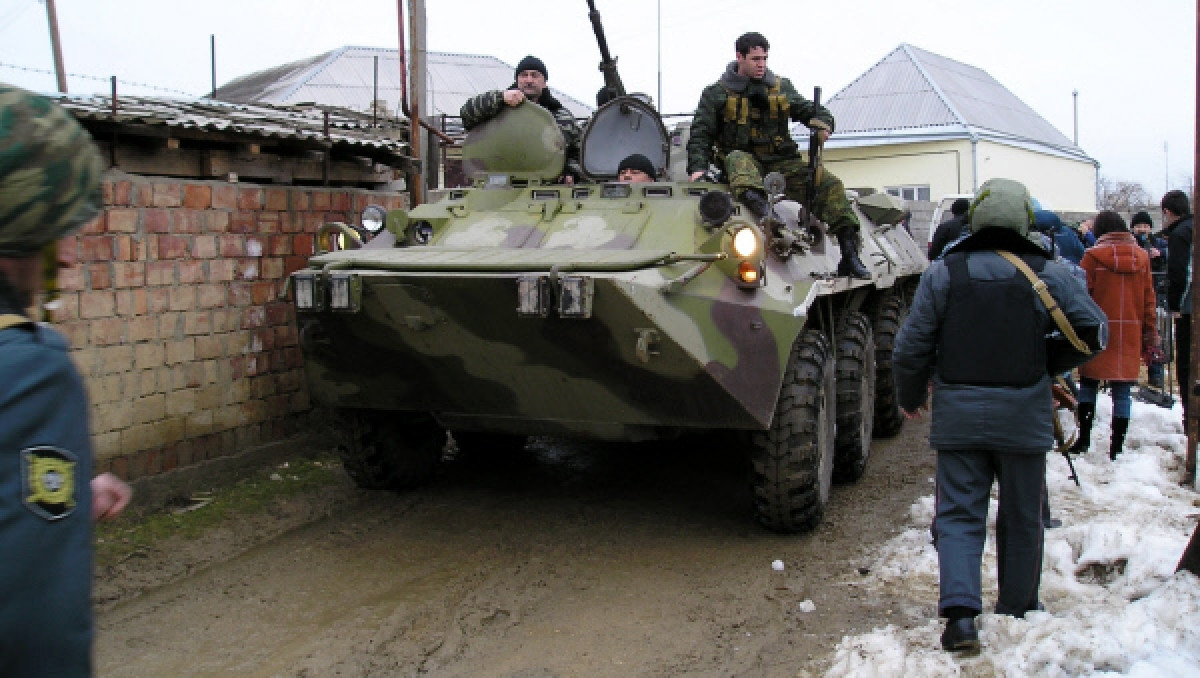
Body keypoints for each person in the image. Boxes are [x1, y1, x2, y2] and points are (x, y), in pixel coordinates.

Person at [892, 178, 1107, 653]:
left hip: (959, 419)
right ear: (1026, 220)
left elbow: (910, 348)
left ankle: (961, 619)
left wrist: (910, 397)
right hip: (1024, 417)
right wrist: (1047, 364)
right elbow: (1095, 333)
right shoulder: (1052, 272)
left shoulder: (943, 274)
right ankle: (1017, 607)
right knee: (1023, 515)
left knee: (959, 515)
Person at [0, 83, 133, 677]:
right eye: (57, 229)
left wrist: (63, 487)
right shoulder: (31, 369)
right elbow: (35, 618)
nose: (71, 257)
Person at [685, 31, 870, 279]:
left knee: (829, 185)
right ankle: (767, 217)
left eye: (764, 59)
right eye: (755, 59)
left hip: (781, 162)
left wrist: (823, 124)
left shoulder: (781, 88)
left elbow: (806, 109)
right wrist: (697, 168)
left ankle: (849, 254)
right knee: (738, 159)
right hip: (741, 163)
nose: (761, 65)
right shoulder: (716, 94)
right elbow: (701, 133)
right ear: (739, 57)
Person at [1072, 211, 1159, 459]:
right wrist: (1150, 332)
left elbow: (1081, 295)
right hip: (1130, 329)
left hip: (1098, 329)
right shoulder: (1142, 258)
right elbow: (1149, 300)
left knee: (1088, 384)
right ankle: (1116, 448)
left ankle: (1084, 439)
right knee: (1122, 391)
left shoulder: (1092, 257)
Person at [460, 55, 582, 183]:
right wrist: (500, 98)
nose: (529, 80)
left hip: (546, 187)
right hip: (498, 184)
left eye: (535, 75)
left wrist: (570, 172)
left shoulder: (561, 116)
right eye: (524, 75)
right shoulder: (496, 108)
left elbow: (578, 152)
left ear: (544, 82)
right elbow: (466, 114)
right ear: (517, 80)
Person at [1163, 189, 1194, 420]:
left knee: (1186, 365)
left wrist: (1175, 305)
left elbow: (1179, 273)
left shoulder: (1181, 234)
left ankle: (1191, 416)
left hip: (1190, 307)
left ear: (1168, 212)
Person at [1132, 210, 1169, 389]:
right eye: (1139, 226)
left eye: (1146, 226)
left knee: (1155, 337)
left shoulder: (1159, 243)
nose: (1142, 229)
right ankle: (1131, 374)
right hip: (1136, 295)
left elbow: (1171, 256)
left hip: (1157, 294)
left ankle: (1156, 375)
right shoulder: (1130, 244)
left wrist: (1160, 254)